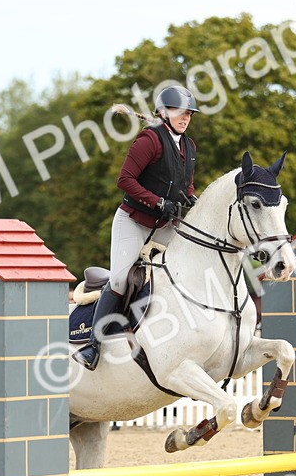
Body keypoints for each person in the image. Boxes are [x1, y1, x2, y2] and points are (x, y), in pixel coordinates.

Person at [72, 85, 200, 370]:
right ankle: (92, 346)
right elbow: (125, 179)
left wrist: (191, 197)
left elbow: (185, 181)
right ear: (164, 113)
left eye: (189, 113)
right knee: (119, 279)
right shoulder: (149, 140)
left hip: (165, 225)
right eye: (181, 112)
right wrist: (157, 202)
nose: (186, 118)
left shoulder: (189, 146)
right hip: (134, 222)